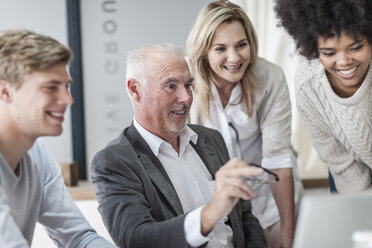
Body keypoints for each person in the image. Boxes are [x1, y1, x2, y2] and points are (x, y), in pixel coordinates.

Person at [91, 43, 267, 248]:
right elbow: (136, 239)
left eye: (188, 85)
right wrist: (210, 212)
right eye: (171, 86)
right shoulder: (114, 162)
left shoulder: (211, 139)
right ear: (135, 89)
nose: (186, 98)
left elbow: (245, 217)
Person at [186, 1, 303, 247]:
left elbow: (278, 161)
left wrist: (288, 236)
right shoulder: (186, 83)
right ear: (204, 51)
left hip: (268, 199)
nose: (234, 57)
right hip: (212, 204)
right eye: (220, 48)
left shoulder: (269, 77)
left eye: (241, 45)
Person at [0, 29, 116, 247]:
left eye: (67, 87)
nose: (68, 100)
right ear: (5, 91)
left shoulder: (37, 153)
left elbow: (78, 237)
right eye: (51, 88)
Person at [274, 0, 372, 193]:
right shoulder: (308, 85)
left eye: (355, 48)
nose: (344, 61)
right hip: (352, 176)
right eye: (329, 52)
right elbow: (341, 163)